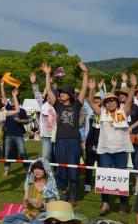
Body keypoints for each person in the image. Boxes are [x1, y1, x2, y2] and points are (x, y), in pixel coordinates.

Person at [87, 75, 137, 215]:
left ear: (117, 102)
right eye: (107, 101)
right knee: (105, 177)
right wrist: (91, 90)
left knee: (121, 177)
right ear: (105, 104)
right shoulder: (102, 113)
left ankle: (122, 204)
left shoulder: (123, 112)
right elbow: (91, 102)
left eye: (113, 100)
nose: (110, 103)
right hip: (105, 150)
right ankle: (105, 203)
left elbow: (130, 100)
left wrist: (133, 86)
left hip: (121, 149)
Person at [42, 62, 88, 206]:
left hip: (74, 140)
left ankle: (73, 194)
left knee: (73, 167)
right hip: (60, 140)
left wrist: (85, 73)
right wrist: (47, 74)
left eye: (64, 92)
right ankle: (64, 192)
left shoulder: (77, 105)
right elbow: (49, 90)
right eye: (60, 92)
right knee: (61, 167)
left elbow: (84, 89)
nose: (61, 94)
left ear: (70, 95)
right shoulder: (57, 105)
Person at [2, 159, 59, 224]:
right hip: (28, 214)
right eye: (35, 168)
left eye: (40, 169)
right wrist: (26, 203)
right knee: (6, 220)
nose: (37, 171)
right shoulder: (30, 183)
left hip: (42, 215)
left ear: (45, 171)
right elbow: (26, 199)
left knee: (42, 218)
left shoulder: (50, 187)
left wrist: (42, 205)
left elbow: (53, 208)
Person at [115, 86, 138, 195]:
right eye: (120, 94)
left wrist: (131, 127)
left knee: (136, 160)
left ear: (128, 96)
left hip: (134, 136)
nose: (120, 95)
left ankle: (137, 185)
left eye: (123, 94)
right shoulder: (118, 108)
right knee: (120, 159)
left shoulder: (137, 107)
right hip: (121, 137)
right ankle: (121, 184)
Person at [1, 81, 29, 177]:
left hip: (18, 135)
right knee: (7, 153)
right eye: (12, 99)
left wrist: (21, 121)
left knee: (22, 152)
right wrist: (2, 85)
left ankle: (26, 167)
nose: (12, 100)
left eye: (14, 99)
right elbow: (3, 97)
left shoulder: (22, 111)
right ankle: (6, 169)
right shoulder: (8, 108)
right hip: (8, 134)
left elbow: (27, 121)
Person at [83, 79, 105, 192]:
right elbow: (87, 100)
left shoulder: (105, 111)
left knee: (101, 163)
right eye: (95, 99)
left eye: (98, 99)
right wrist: (91, 89)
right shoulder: (89, 109)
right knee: (89, 163)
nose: (96, 101)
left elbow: (105, 97)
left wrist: (100, 89)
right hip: (91, 139)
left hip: (102, 140)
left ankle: (100, 184)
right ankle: (87, 183)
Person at [30, 72, 57, 162]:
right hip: (46, 137)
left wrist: (51, 82)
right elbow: (37, 94)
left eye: (51, 95)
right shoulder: (43, 104)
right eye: (47, 95)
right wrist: (33, 83)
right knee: (45, 158)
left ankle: (58, 175)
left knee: (56, 159)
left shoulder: (59, 106)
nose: (49, 97)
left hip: (58, 136)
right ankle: (47, 175)